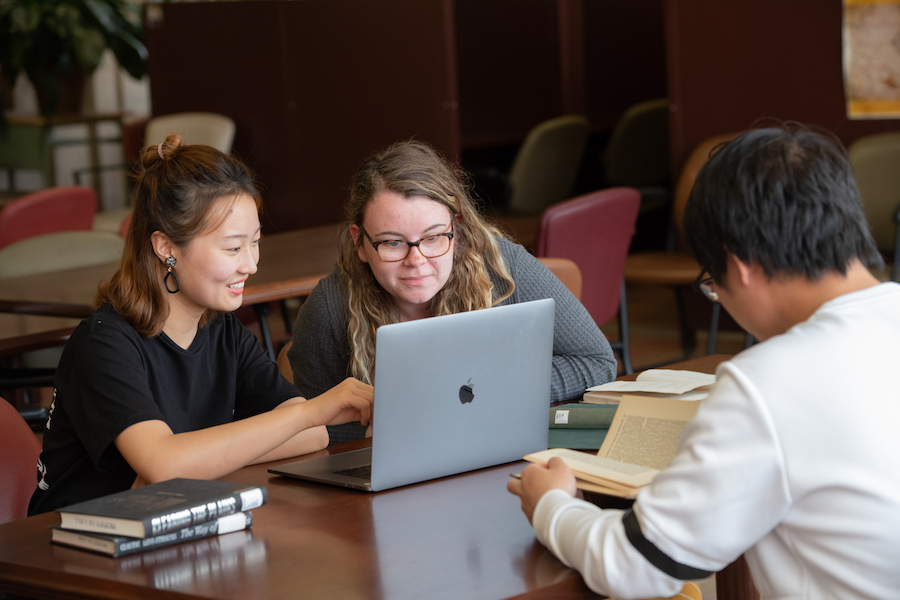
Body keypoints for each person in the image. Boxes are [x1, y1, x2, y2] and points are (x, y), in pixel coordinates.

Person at [508, 126, 900, 599]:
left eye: (713, 283)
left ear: (742, 266)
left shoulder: (768, 383)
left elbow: (637, 566)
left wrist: (551, 504)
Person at [29, 134, 373, 515]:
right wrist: (306, 414)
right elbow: (164, 466)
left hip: (166, 524)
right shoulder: (103, 345)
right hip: (69, 546)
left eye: (255, 242)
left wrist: (200, 457)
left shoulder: (221, 329)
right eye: (232, 247)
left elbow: (307, 435)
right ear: (166, 248)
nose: (251, 263)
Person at [289, 141, 617, 444]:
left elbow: (597, 362)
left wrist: (484, 393)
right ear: (360, 242)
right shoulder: (329, 308)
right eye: (392, 242)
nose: (416, 260)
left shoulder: (502, 267)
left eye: (433, 237)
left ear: (456, 229)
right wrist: (393, 424)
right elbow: (312, 433)